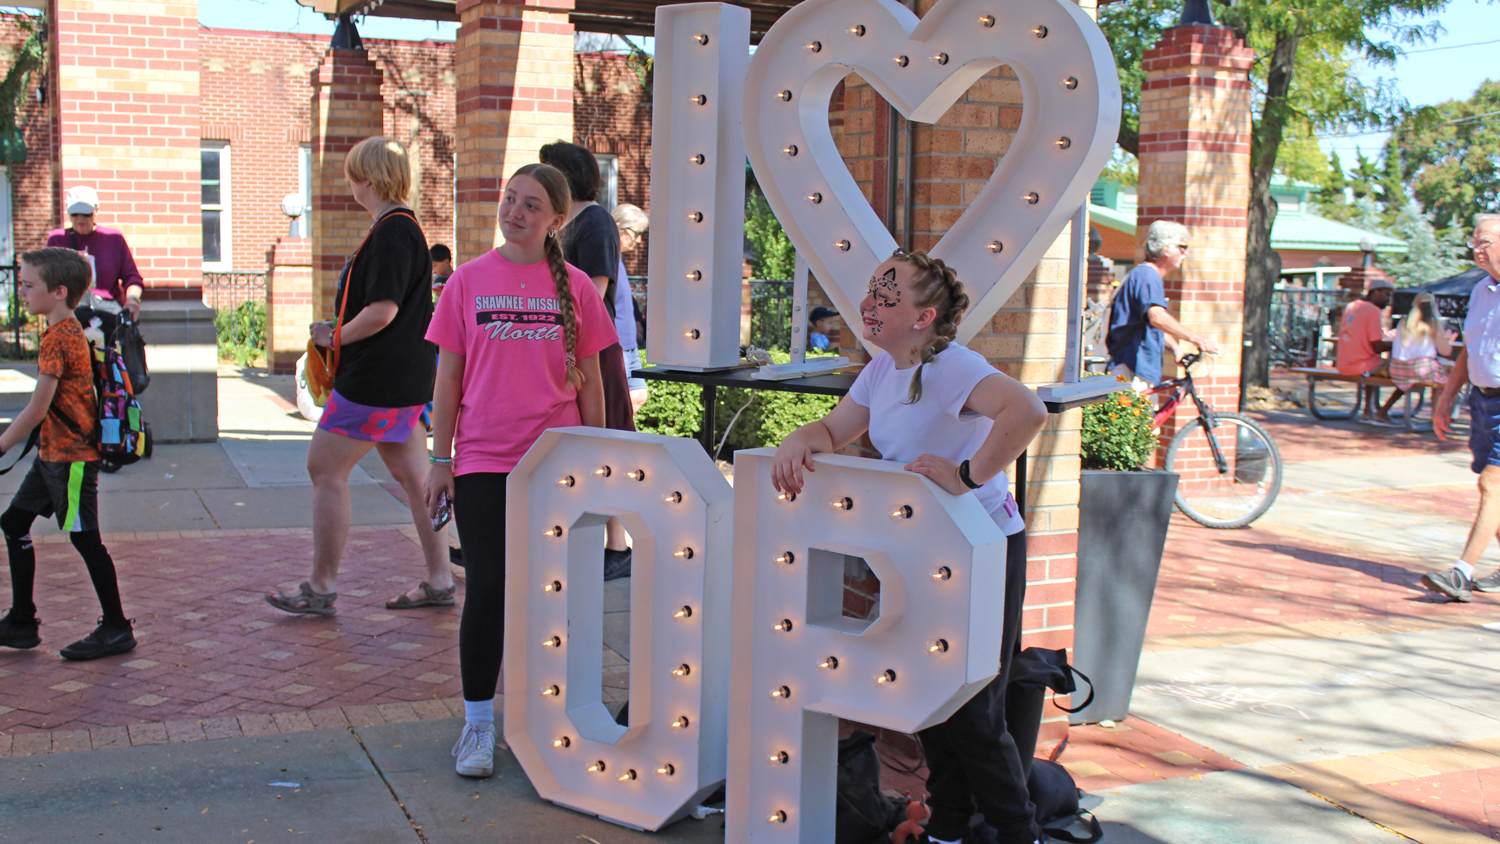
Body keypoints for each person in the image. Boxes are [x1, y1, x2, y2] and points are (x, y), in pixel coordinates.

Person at [772, 250, 1049, 844]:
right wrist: (801, 438)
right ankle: (947, 827)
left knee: (974, 712)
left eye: (886, 295)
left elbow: (1025, 411)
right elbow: (833, 429)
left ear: (923, 318)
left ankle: (1019, 833)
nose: (868, 303)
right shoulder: (881, 370)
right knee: (929, 699)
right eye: (871, 289)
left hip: (983, 553)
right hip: (922, 556)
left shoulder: (952, 366)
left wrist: (967, 475)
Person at [424, 163, 613, 778]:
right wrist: (440, 458)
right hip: (483, 460)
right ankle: (479, 726)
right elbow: (447, 377)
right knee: (489, 590)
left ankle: (549, 720)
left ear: (556, 219)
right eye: (509, 199)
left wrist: (595, 458)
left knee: (553, 596)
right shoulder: (468, 281)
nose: (515, 212)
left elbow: (592, 385)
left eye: (532, 205)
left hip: (554, 464)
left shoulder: (578, 286)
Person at [265, 137, 453, 617]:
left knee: (325, 470)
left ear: (365, 180)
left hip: (376, 381)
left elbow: (383, 310)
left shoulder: (392, 231)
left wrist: (334, 337)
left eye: (351, 174)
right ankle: (439, 577)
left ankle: (321, 586)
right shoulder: (401, 227)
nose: (348, 182)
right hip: (403, 379)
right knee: (416, 479)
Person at [0, 248, 135, 660]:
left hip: (72, 459)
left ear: (59, 292)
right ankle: (22, 620)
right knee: (14, 521)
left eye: (27, 285)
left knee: (86, 539)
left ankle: (116, 627)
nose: (20, 291)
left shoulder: (59, 339)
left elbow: (37, 408)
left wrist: (2, 444)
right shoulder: (67, 330)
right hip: (52, 456)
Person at [540, 141, 634, 580]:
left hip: (593, 350)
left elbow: (594, 291)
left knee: (606, 439)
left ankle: (618, 543)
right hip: (567, 347)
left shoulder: (594, 221)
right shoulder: (566, 223)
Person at [1428, 214, 1500, 602]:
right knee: (1491, 487)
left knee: (1493, 483)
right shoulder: (1480, 291)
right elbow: (1468, 349)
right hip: (1483, 399)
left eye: (1486, 240)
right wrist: (1446, 397)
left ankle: (1462, 573)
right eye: (1474, 239)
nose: (1477, 247)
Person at [1105, 220, 1219, 390]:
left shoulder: (1143, 274)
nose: (1185, 253)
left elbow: (1147, 323)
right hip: (1132, 367)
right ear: (1166, 249)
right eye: (1182, 247)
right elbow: (1157, 317)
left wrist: (1175, 348)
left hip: (1136, 366)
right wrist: (1197, 339)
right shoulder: (1148, 276)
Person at [46, 186, 145, 320]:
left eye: (86, 213)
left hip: (106, 311)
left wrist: (132, 300)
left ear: (96, 210)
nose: (80, 218)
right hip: (69, 311)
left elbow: (132, 277)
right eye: (74, 213)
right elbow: (45, 277)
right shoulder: (57, 239)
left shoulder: (114, 239)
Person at [1335, 276, 1400, 423]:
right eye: (1386, 294)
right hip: (1362, 366)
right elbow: (1377, 347)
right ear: (1375, 292)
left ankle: (1367, 410)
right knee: (1409, 373)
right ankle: (1383, 411)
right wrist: (1400, 342)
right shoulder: (1373, 310)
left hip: (1344, 364)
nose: (1389, 299)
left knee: (1373, 361)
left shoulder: (1352, 306)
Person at [610, 202, 650, 414]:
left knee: (638, 394)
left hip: (629, 343)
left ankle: (617, 438)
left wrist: (636, 320)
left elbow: (625, 295)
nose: (638, 240)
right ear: (618, 227)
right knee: (619, 402)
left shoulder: (619, 257)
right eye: (636, 233)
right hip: (616, 343)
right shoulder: (605, 256)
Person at [1390, 291, 1453, 405]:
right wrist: (1447, 341)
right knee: (1448, 373)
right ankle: (1437, 416)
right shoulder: (1433, 323)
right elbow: (1446, 351)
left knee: (1439, 370)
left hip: (1397, 369)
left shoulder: (1403, 322)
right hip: (1420, 369)